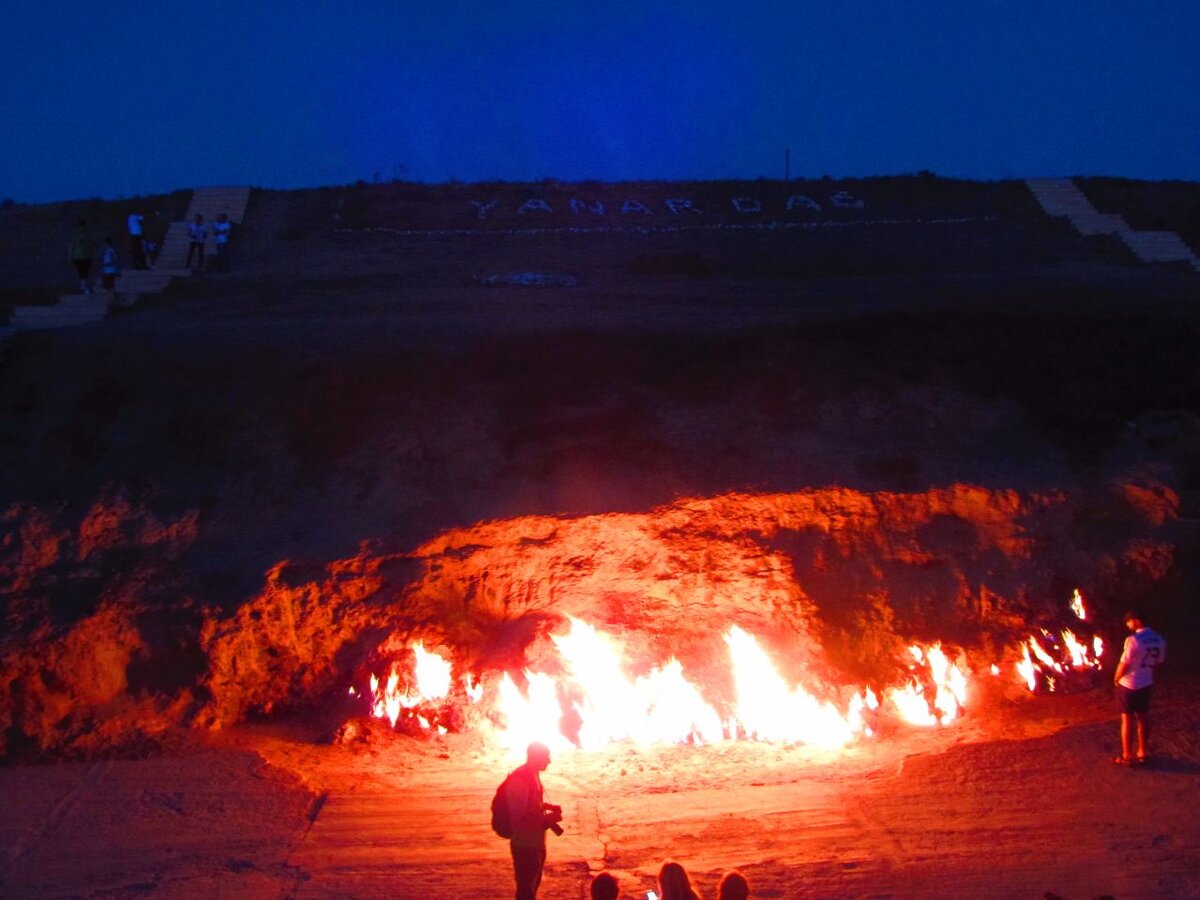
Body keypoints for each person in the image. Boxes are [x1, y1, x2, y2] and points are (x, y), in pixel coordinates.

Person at [506, 742, 563, 900]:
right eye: (546, 757)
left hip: (535, 843)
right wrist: (544, 819)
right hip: (525, 845)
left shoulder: (533, 775)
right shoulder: (520, 779)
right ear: (536, 757)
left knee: (531, 886)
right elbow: (518, 818)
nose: (549, 761)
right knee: (526, 890)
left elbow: (529, 805)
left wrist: (546, 807)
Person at [1112, 608, 1166, 766]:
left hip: (1128, 684)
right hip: (1146, 682)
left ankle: (1127, 755)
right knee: (1143, 718)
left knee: (1127, 719)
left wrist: (1116, 679)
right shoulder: (1159, 639)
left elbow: (1124, 663)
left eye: (1129, 621)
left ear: (1137, 620)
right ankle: (1143, 751)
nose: (1127, 624)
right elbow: (1159, 663)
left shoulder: (1133, 640)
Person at [68, 219, 93, 293]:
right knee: (83, 273)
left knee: (83, 273)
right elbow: (72, 246)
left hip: (83, 256)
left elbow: (71, 247)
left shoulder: (81, 235)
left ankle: (83, 287)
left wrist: (70, 257)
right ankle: (83, 287)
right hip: (82, 256)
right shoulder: (80, 235)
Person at [100, 236, 120, 301]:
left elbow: (113, 259)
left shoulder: (110, 251)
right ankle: (111, 297)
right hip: (108, 270)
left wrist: (107, 264)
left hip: (110, 270)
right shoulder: (107, 251)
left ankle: (112, 298)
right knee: (109, 285)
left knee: (109, 285)